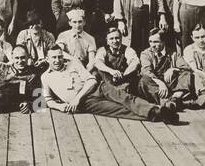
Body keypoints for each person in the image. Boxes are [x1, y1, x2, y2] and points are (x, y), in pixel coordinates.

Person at [41, 45, 175, 121]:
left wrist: (76, 98)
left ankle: (159, 109)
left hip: (98, 88)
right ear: (47, 59)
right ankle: (158, 114)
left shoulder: (73, 63)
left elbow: (91, 80)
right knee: (117, 109)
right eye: (54, 57)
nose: (58, 60)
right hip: (86, 103)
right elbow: (48, 100)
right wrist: (60, 107)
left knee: (125, 97)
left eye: (60, 56)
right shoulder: (45, 77)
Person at [90, 26, 139, 91]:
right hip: (108, 79)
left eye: (117, 38)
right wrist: (111, 71)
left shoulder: (128, 50)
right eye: (111, 39)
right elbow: (97, 62)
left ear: (121, 38)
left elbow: (135, 62)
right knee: (96, 73)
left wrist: (123, 75)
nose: (115, 41)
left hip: (123, 79)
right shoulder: (102, 50)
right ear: (107, 40)